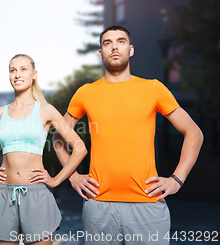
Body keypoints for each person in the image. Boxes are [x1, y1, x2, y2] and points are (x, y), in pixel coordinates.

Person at [53, 26, 204, 244]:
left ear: (130, 50)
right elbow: (58, 138)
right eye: (107, 43)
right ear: (100, 54)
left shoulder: (153, 88)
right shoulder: (86, 92)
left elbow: (194, 133)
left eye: (121, 41)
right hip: (98, 206)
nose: (114, 47)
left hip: (148, 205)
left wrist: (176, 180)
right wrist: (73, 176)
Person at [0, 54, 87, 245]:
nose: (17, 74)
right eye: (12, 70)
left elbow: (80, 148)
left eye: (23, 69)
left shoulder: (46, 110)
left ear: (34, 74)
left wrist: (56, 180)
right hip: (2, 194)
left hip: (37, 195)